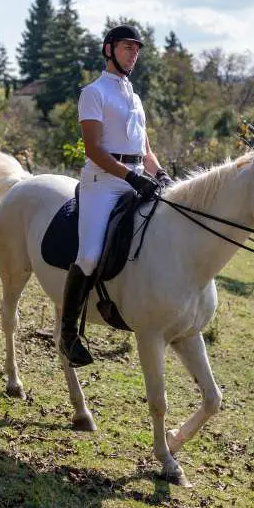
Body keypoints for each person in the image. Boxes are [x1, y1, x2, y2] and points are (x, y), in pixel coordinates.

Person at [59, 24, 173, 368]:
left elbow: (144, 149)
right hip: (103, 182)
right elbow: (94, 149)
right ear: (109, 50)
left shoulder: (134, 96)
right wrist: (130, 177)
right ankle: (68, 334)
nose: (133, 54)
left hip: (137, 176)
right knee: (90, 255)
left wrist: (160, 173)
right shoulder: (93, 93)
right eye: (127, 48)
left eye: (136, 49)